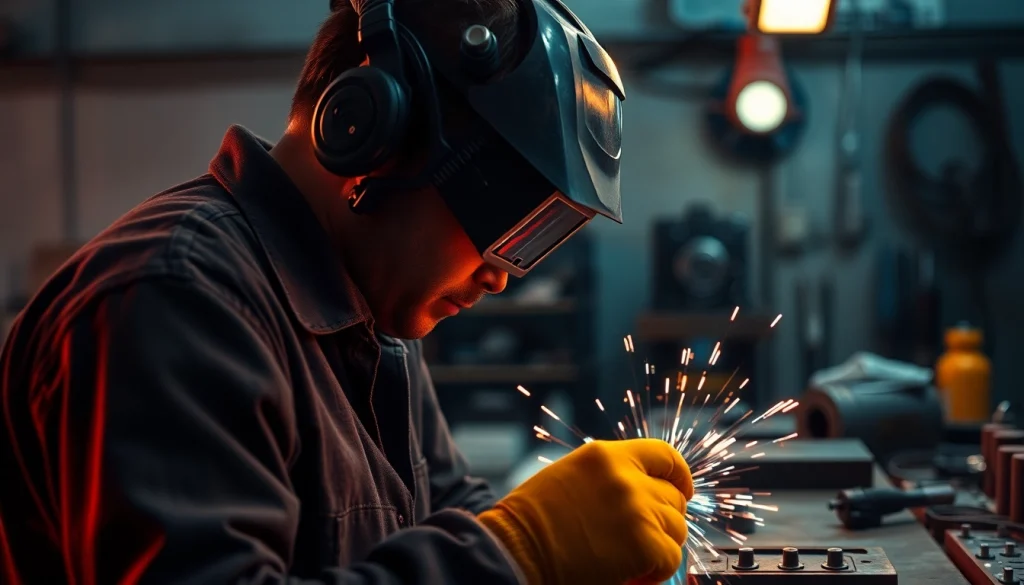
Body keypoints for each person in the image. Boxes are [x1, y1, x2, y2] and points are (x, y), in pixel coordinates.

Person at [0, 0, 695, 583]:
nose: (503, 273)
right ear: (369, 130)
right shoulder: (173, 300)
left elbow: (449, 514)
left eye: (532, 242)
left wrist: (569, 547)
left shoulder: (370, 317)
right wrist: (520, 551)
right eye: (500, 224)